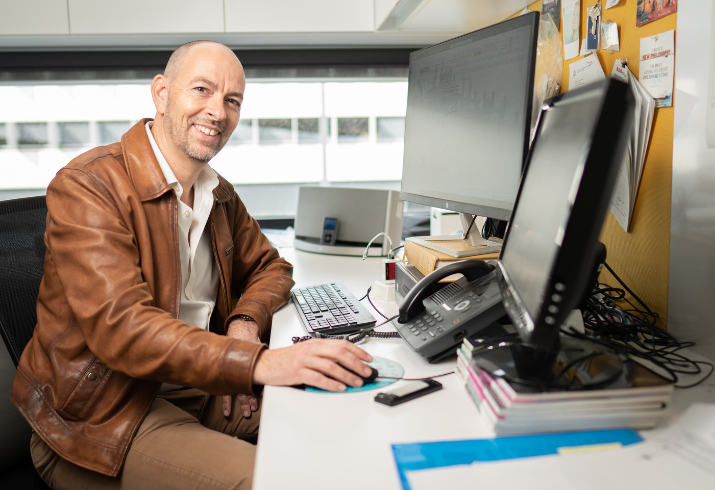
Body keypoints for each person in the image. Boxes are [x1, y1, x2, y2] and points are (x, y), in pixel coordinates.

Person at [11, 40, 374, 490]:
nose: (218, 112)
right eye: (201, 89)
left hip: (198, 388)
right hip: (100, 419)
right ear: (161, 93)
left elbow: (271, 268)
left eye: (232, 100)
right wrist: (256, 362)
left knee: (346, 428)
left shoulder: (216, 193)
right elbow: (122, 328)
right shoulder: (88, 186)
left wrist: (243, 323)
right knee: (278, 479)